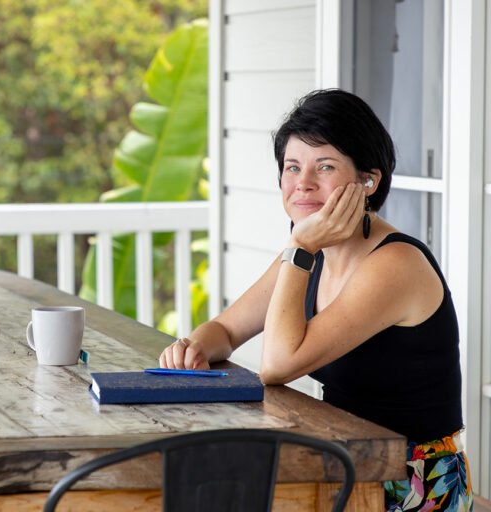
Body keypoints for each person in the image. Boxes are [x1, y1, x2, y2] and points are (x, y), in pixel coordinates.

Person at [159, 89, 473, 511]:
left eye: (324, 166)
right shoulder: (309, 254)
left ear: (368, 181)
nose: (302, 183)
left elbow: (278, 364)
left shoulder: (395, 263)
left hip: (411, 482)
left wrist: (300, 246)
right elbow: (228, 329)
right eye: (292, 167)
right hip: (344, 464)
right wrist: (193, 346)